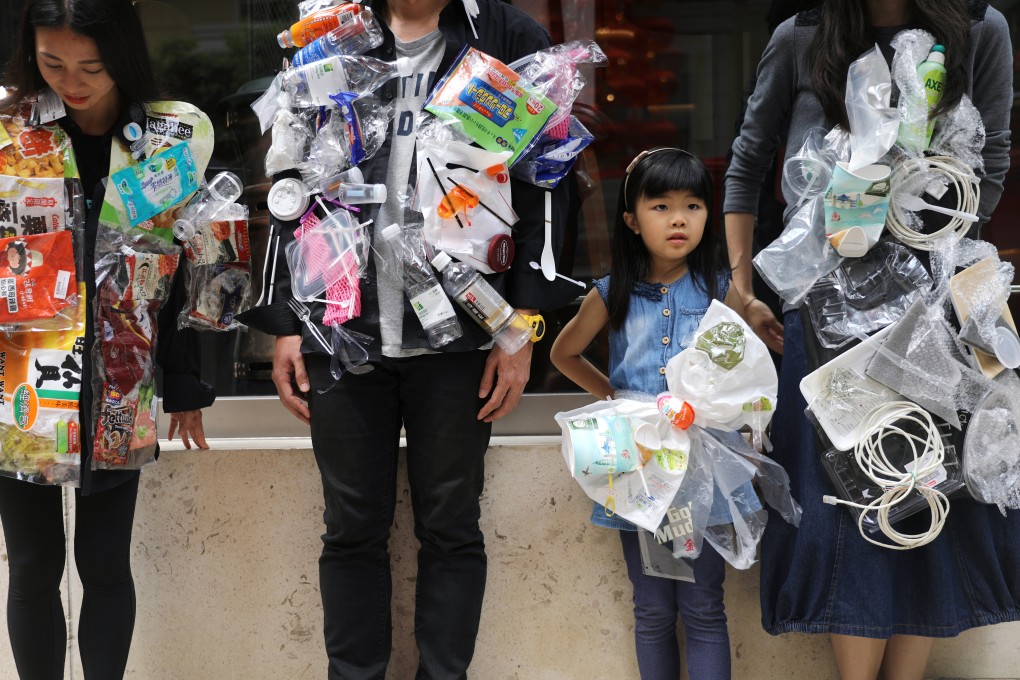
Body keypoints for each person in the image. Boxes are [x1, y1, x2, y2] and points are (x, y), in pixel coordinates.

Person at [252, 0, 578, 677]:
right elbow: (288, 176)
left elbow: (548, 181)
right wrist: (285, 322)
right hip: (340, 327)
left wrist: (521, 330)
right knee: (350, 531)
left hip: (462, 335)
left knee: (452, 529)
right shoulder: (330, 33)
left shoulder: (506, 36)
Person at [724, 1, 1017, 679]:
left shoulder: (980, 28)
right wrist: (745, 290)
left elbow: (991, 158)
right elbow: (748, 162)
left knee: (935, 486)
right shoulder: (800, 34)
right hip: (825, 309)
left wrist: (938, 246)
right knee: (849, 497)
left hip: (935, 308)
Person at [0, 1, 214, 678]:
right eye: (51, 62)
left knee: (103, 563)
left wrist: (184, 381)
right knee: (32, 564)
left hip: (123, 377)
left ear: (121, 55)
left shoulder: (168, 139)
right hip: (24, 381)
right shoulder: (9, 131)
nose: (72, 80)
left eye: (91, 64)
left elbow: (174, 270)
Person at [550, 148, 739, 680]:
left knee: (703, 606)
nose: (679, 218)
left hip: (704, 469)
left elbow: (752, 373)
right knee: (652, 608)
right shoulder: (612, 293)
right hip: (637, 468)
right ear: (631, 219)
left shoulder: (724, 291)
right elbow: (563, 354)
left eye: (693, 205)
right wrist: (617, 398)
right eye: (660, 206)